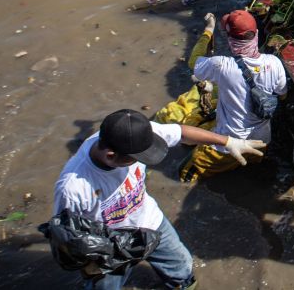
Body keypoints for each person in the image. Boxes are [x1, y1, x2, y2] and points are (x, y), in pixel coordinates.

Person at [53, 109, 265, 289]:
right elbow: (67, 235)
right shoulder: (74, 187)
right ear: (111, 155)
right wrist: (91, 261)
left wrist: (227, 141)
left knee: (182, 267)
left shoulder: (135, 134)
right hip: (111, 245)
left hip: (151, 222)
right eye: (138, 158)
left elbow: (181, 133)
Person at [179, 9, 287, 182]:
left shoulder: (222, 65)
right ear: (256, 34)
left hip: (229, 147)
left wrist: (208, 29)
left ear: (230, 40)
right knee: (248, 172)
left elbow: (194, 62)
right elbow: (282, 95)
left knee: (184, 173)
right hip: (262, 143)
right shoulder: (275, 63)